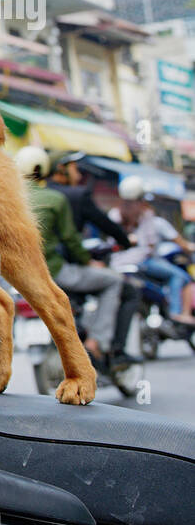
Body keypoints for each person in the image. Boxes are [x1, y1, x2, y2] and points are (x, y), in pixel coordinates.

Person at [17, 146, 124, 363]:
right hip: (54, 271)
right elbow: (71, 239)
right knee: (114, 281)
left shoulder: (6, 199)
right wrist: (88, 261)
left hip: (18, 275)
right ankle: (96, 342)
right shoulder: (54, 199)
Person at [110, 175, 195, 326]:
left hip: (117, 264)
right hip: (143, 262)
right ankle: (177, 313)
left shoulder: (114, 214)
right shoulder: (147, 215)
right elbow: (153, 245)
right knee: (181, 276)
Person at [47, 152, 133, 248]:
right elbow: (105, 223)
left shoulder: (40, 192)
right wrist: (126, 242)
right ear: (61, 168)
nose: (78, 176)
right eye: (75, 169)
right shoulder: (78, 195)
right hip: (66, 259)